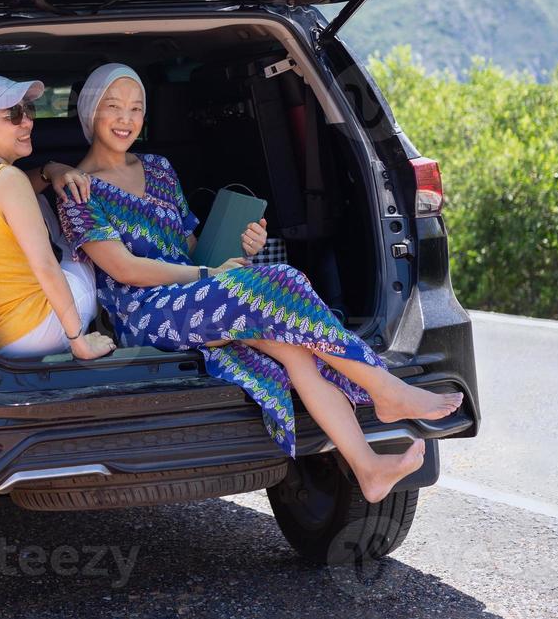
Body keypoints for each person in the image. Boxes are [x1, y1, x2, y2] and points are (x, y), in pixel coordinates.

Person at [57, 63, 464, 502]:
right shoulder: (78, 191)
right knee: (284, 279)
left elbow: (193, 250)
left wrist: (243, 249)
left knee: (296, 352)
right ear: (90, 113)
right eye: (113, 107)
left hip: (196, 293)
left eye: (136, 108)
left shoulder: (159, 168)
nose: (126, 119)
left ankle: (367, 468)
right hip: (144, 313)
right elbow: (123, 269)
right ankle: (383, 388)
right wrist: (211, 276)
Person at [0, 74, 115, 361]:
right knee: (80, 236)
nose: (28, 121)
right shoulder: (8, 178)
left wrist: (48, 171)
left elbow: (9, 201)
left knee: (41, 202)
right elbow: (45, 267)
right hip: (40, 328)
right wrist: (77, 341)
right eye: (14, 114)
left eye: (29, 111)